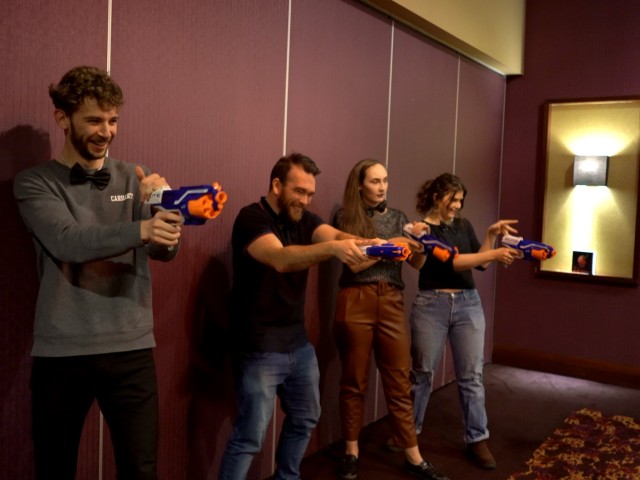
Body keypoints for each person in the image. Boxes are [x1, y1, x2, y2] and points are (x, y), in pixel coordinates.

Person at [13, 66, 183, 480]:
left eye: (113, 120)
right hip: (61, 352)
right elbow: (67, 241)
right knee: (54, 469)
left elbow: (164, 252)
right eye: (94, 120)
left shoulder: (134, 176)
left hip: (132, 349)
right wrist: (141, 229)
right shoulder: (34, 183)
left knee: (141, 470)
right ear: (63, 118)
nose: (106, 132)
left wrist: (164, 211)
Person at [218, 153, 373, 480]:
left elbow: (337, 238)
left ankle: (287, 477)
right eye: (299, 191)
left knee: (305, 417)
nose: (305, 200)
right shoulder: (251, 218)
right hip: (258, 346)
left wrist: (375, 245)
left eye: (310, 194)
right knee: (250, 437)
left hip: (298, 344)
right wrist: (333, 250)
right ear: (277, 185)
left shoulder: (306, 219)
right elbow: (280, 258)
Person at [333, 159, 449, 480]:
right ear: (359, 185)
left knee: (399, 380)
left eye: (385, 180)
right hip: (356, 298)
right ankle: (351, 452)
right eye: (375, 181)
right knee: (354, 380)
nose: (382, 186)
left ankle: (413, 456)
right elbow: (354, 265)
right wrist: (391, 246)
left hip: (392, 300)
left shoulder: (398, 217)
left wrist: (420, 242)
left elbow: (417, 264)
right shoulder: (344, 217)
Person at [407, 173, 518, 470]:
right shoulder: (422, 230)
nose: (457, 205)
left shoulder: (463, 225)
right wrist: (497, 253)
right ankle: (408, 433)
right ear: (436, 197)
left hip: (468, 304)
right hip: (431, 304)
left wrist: (490, 236)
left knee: (471, 376)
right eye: (452, 199)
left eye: (460, 200)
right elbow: (455, 262)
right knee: (422, 373)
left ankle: (477, 438)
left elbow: (480, 263)